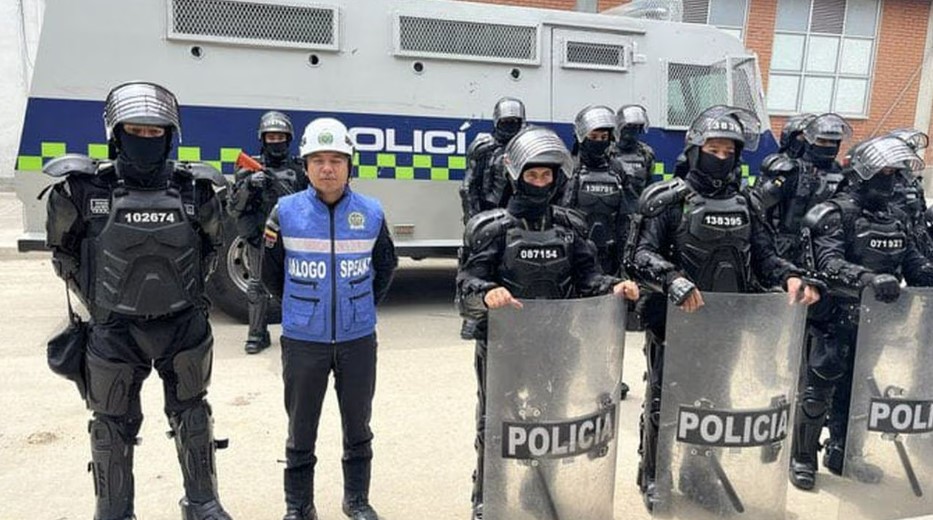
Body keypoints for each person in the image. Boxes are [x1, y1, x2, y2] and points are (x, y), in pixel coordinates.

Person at [43, 81, 231, 520]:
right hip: (113, 327)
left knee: (193, 415)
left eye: (155, 132)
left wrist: (187, 297)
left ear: (169, 135)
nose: (146, 139)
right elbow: (64, 254)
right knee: (111, 426)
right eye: (136, 130)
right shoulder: (82, 189)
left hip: (182, 323)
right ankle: (112, 510)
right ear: (116, 133)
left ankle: (202, 502)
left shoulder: (196, 189)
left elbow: (211, 248)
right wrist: (98, 304)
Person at [626, 105, 821, 510]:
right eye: (713, 149)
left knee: (714, 404)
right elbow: (638, 256)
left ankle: (697, 474)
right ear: (696, 150)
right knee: (665, 404)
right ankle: (655, 476)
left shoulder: (747, 204)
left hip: (728, 326)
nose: (721, 157)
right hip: (675, 324)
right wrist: (671, 279)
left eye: (729, 150)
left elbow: (766, 257)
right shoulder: (666, 200)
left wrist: (789, 276)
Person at [456, 125, 641, 520]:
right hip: (505, 348)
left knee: (552, 420)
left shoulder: (571, 227)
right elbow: (466, 284)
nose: (540, 182)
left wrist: (615, 286)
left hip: (558, 344)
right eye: (532, 174)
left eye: (547, 175)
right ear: (516, 175)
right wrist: (488, 291)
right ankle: (488, 494)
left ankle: (536, 490)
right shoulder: (491, 228)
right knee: (496, 422)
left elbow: (589, 278)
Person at [261, 117, 398, 520]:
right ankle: (298, 507)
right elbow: (270, 272)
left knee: (359, 428)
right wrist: (302, 309)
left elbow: (385, 266)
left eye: (336, 159)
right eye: (317, 159)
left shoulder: (371, 212)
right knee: (301, 429)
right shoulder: (285, 211)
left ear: (349, 164)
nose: (327, 168)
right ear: (304, 166)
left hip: (358, 340)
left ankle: (356, 501)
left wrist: (360, 307)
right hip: (304, 340)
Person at [790, 135, 933, 491]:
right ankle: (802, 457)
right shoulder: (832, 214)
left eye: (894, 173)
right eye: (882, 172)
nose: (890, 180)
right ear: (861, 173)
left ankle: (844, 453)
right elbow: (826, 264)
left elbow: (914, 264)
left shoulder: (898, 218)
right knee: (816, 393)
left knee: (857, 394)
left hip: (876, 324)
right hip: (833, 319)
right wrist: (868, 277)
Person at [561, 104, 639, 398]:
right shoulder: (566, 168)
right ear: (582, 136)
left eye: (605, 135)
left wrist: (626, 259)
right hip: (573, 262)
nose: (600, 140)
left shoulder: (617, 171)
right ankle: (567, 379)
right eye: (595, 135)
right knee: (569, 326)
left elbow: (629, 215)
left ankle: (606, 379)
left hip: (608, 260)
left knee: (607, 326)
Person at [228, 111, 308, 354]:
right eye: (271, 137)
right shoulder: (249, 170)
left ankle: (298, 333)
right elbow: (233, 209)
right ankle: (257, 334)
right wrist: (248, 187)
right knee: (256, 285)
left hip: (291, 236)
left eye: (280, 137)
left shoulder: (298, 170)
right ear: (263, 139)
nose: (276, 142)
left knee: (297, 284)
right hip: (259, 236)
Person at [752, 113, 852, 263]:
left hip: (828, 248)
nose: (828, 147)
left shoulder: (840, 174)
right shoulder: (790, 170)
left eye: (832, 142)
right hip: (786, 247)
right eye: (822, 141)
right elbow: (758, 206)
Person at [459, 97, 526, 223]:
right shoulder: (483, 147)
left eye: (514, 121)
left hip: (522, 210)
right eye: (505, 121)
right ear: (497, 121)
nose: (510, 125)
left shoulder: (527, 146)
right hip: (489, 208)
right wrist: (473, 218)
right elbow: (468, 187)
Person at [610, 104, 656, 197]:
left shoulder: (646, 153)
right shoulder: (608, 151)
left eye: (636, 127)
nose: (631, 131)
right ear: (620, 127)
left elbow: (649, 183)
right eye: (629, 126)